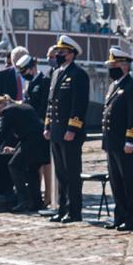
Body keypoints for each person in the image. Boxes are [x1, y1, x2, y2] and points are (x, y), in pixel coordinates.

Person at [44, 35, 90, 224]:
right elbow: (51, 103)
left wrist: (73, 128)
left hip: (69, 132)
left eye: (61, 52)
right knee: (61, 174)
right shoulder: (56, 73)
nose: (58, 55)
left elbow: (78, 105)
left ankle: (74, 211)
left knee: (72, 173)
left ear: (71, 55)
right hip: (56, 130)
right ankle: (62, 208)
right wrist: (47, 125)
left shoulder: (78, 75)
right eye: (57, 52)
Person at [101, 47, 133, 232]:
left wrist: (130, 140)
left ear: (124, 66)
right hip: (112, 142)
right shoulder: (115, 86)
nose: (111, 68)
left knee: (129, 181)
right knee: (116, 182)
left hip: (124, 142)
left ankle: (132, 219)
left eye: (114, 65)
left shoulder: (132, 87)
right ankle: (120, 216)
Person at [0, 95, 49, 212]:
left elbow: (1, 133)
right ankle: (35, 202)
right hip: (41, 141)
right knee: (31, 170)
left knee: (14, 165)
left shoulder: (8, 111)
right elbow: (27, 130)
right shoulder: (24, 106)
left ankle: (22, 199)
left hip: (31, 142)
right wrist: (16, 149)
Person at [16, 54, 52, 207]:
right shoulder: (29, 84)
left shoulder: (44, 82)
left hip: (40, 127)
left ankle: (49, 196)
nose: (24, 75)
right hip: (30, 130)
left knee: (45, 165)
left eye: (25, 71)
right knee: (32, 166)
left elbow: (44, 106)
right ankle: (35, 197)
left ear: (32, 68)